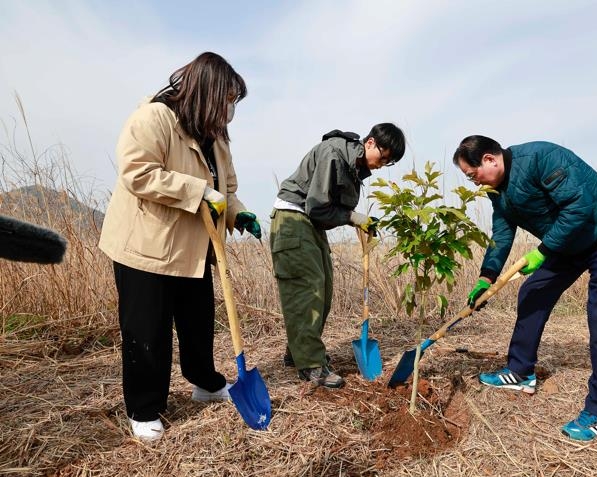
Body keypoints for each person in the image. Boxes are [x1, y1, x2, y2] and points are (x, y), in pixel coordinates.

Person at [98, 52, 262, 442]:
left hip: (193, 247)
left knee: (198, 323)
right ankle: (144, 407)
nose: (229, 111)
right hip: (147, 245)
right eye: (226, 101)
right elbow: (138, 172)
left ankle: (205, 382)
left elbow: (228, 190)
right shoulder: (154, 118)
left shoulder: (217, 139)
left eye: (232, 104)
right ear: (206, 93)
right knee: (148, 330)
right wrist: (199, 190)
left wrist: (238, 213)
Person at [453, 136, 597, 441]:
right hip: (568, 243)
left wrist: (542, 251)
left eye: (472, 175)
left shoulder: (541, 157)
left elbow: (579, 206)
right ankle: (520, 371)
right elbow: (501, 234)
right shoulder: (496, 192)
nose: (474, 183)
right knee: (533, 292)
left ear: (489, 159)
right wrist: (486, 277)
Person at [270, 124, 405, 388]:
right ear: (370, 143)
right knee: (308, 290)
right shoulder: (334, 154)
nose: (382, 164)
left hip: (310, 224)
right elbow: (318, 207)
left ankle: (298, 352)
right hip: (293, 220)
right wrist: (353, 217)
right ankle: (310, 364)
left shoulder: (354, 167)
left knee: (324, 289)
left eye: (388, 162)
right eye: (383, 156)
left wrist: (357, 219)